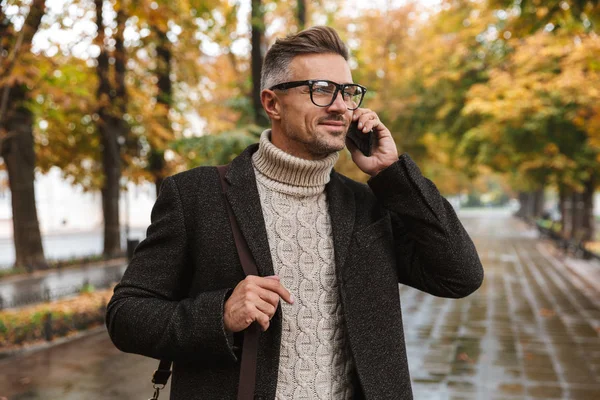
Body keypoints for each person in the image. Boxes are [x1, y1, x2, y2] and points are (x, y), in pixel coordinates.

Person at [106, 26, 484, 399]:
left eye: (348, 92)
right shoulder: (196, 196)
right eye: (321, 90)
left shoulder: (367, 206)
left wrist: (392, 173)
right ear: (272, 103)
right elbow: (126, 316)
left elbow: (460, 275)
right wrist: (219, 313)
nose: (340, 106)